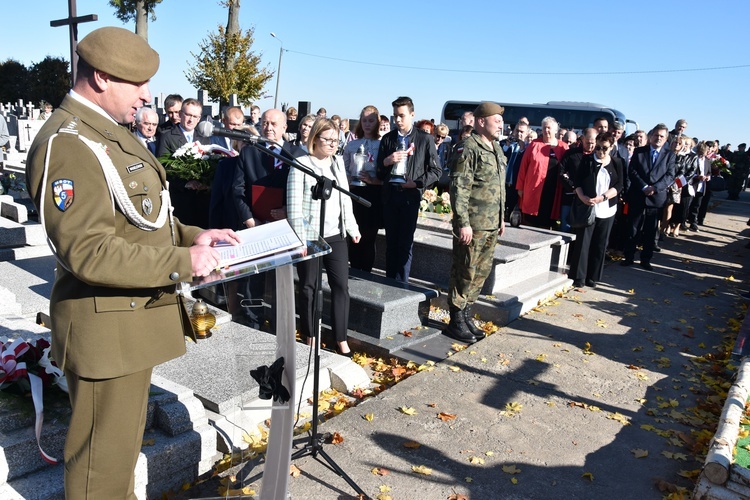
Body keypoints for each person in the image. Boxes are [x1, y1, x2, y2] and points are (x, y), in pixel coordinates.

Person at [24, 27, 239, 499]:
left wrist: (195, 235)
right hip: (105, 332)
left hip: (126, 327)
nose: (146, 95)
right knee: (100, 471)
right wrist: (185, 261)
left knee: (117, 461)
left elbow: (142, 221)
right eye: (136, 83)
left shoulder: (105, 136)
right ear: (101, 78)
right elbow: (88, 250)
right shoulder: (69, 145)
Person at [287, 118, 360, 355]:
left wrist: (352, 228)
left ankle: (341, 338)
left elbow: (345, 198)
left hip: (336, 234)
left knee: (341, 286)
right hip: (310, 235)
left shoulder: (338, 163)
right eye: (327, 139)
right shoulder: (301, 163)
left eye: (335, 140)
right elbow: (293, 208)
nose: (332, 144)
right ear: (315, 138)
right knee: (309, 286)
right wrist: (303, 238)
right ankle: (309, 335)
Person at [232, 108, 302, 328]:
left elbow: (305, 193)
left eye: (274, 124)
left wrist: (289, 212)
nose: (269, 127)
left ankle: (283, 322)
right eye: (265, 123)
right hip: (256, 226)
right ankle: (253, 321)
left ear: (284, 127)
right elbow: (238, 190)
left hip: (286, 226)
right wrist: (250, 220)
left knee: (283, 278)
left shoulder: (297, 155)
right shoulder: (249, 152)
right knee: (255, 278)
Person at [445, 102, 507, 343]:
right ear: (481, 121)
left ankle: (467, 313)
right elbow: (459, 187)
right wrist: (463, 222)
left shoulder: (496, 148)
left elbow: (499, 187)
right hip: (473, 224)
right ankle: (456, 319)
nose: (501, 123)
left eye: (501, 120)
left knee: (480, 272)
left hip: (491, 224)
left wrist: (501, 218)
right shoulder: (469, 147)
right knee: (465, 270)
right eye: (496, 119)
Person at [375, 96, 441, 283]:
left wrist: (417, 183)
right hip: (390, 197)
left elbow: (436, 170)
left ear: (412, 115)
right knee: (391, 245)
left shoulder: (424, 139)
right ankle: (389, 283)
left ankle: (401, 285)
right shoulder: (388, 139)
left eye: (402, 116)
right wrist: (388, 160)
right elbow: (379, 172)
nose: (397, 120)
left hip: (410, 197)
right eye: (395, 116)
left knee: (405, 245)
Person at [568, 132, 623, 287]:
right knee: (583, 243)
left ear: (612, 147)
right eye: (598, 148)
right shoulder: (586, 160)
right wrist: (582, 197)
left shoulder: (617, 162)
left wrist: (604, 197)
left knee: (600, 244)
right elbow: (577, 182)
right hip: (588, 207)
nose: (600, 152)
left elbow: (619, 185)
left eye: (604, 148)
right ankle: (579, 276)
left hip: (607, 209)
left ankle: (592, 276)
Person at [622, 124, 675, 270]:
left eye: (661, 136)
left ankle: (646, 259)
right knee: (633, 228)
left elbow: (670, 175)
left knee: (651, 230)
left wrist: (655, 188)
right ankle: (629, 257)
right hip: (638, 194)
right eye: (656, 135)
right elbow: (632, 171)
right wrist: (644, 187)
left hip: (656, 198)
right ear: (651, 136)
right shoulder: (639, 152)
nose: (658, 138)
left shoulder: (669, 155)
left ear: (666, 139)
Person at [343, 105, 383, 272]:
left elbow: (387, 172)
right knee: (354, 235)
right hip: (354, 192)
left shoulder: (382, 145)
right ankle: (353, 267)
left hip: (373, 194)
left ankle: (366, 272)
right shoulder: (352, 145)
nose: (367, 124)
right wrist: (348, 179)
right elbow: (343, 167)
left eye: (371, 120)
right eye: (364, 120)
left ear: (377, 122)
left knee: (368, 237)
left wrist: (374, 180)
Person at [516, 116, 568, 229]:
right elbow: (523, 167)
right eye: (544, 128)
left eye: (549, 128)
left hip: (553, 190)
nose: (546, 130)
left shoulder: (563, 147)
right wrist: (520, 188)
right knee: (530, 221)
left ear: (555, 130)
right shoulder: (534, 145)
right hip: (533, 189)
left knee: (548, 220)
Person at [502, 121, 529, 219]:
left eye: (522, 132)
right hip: (503, 185)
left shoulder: (528, 149)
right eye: (517, 131)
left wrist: (522, 150)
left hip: (516, 187)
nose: (519, 133)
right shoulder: (508, 145)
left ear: (527, 134)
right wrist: (507, 146)